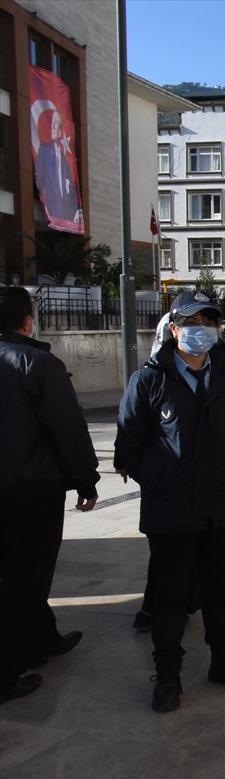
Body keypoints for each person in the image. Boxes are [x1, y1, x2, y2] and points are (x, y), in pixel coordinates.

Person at [115, 289, 225, 713]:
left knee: (217, 589)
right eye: (193, 324)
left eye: (209, 323)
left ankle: (224, 659)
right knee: (171, 594)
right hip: (172, 509)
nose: (202, 331)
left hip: (223, 504)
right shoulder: (149, 380)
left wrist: (217, 475)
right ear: (174, 329)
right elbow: (129, 447)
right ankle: (168, 674)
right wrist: (165, 479)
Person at [0, 287, 98, 705]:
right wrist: (86, 479)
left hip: (18, 487)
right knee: (27, 576)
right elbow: (67, 429)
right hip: (31, 492)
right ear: (26, 321)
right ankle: (6, 672)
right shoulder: (37, 364)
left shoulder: (34, 363)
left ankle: (44, 638)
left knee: (20, 574)